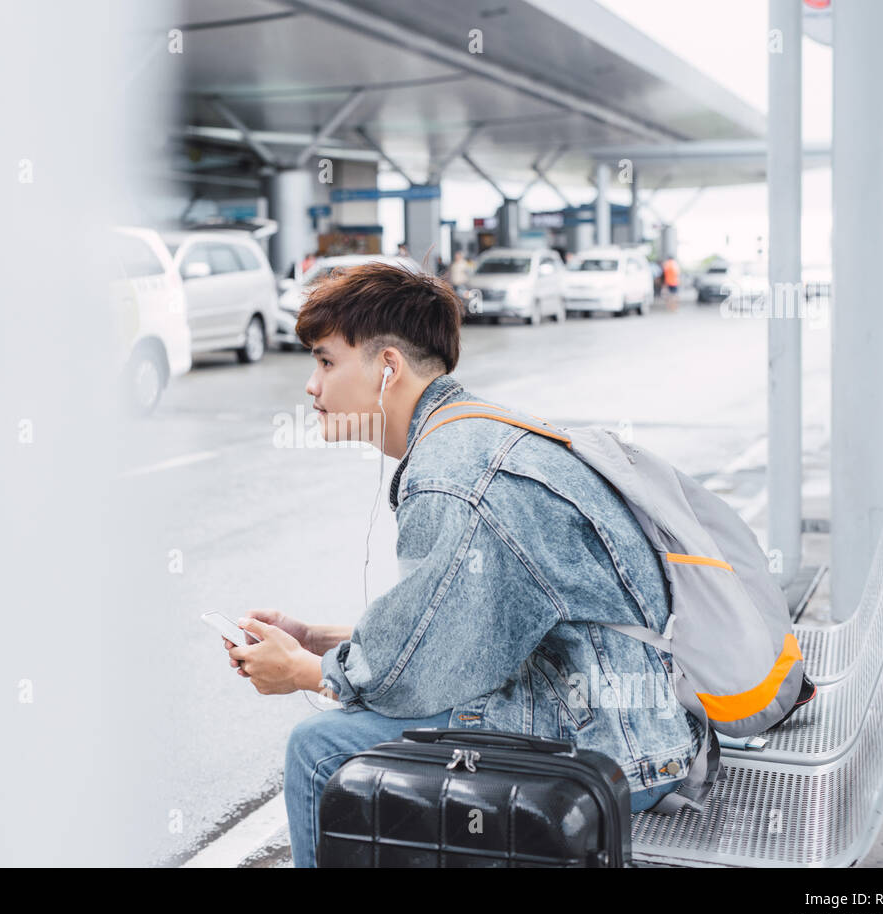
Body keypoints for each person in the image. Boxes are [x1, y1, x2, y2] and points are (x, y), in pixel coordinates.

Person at [224, 262, 701, 867]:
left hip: (610, 744)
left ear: (387, 368)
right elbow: (461, 627)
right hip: (629, 714)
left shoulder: (451, 474)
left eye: (325, 362)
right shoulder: (476, 432)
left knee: (320, 748)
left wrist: (303, 672)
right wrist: (314, 639)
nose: (312, 387)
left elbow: (418, 667)